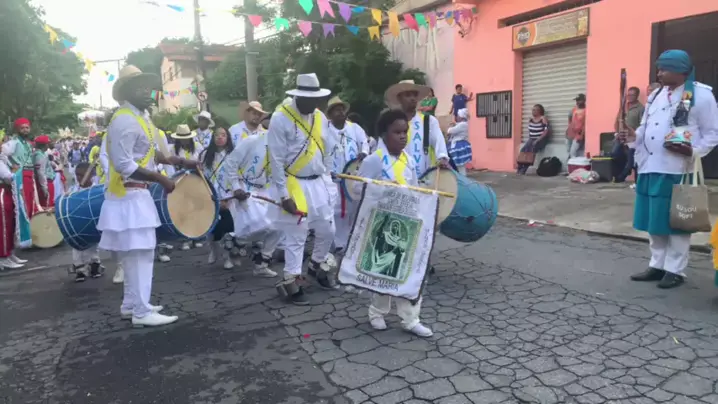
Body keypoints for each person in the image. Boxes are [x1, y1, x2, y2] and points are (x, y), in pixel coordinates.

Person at [99, 65, 197, 327]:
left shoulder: (140, 117)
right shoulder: (125, 120)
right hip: (129, 195)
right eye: (139, 87)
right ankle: (141, 312)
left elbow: (149, 153)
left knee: (137, 253)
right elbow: (124, 164)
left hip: (135, 196)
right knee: (140, 255)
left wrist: (177, 161)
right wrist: (160, 178)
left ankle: (131, 304)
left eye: (147, 87)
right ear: (127, 91)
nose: (147, 92)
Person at [628, 50, 718, 289]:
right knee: (654, 221)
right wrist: (632, 136)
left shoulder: (701, 95)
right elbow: (645, 127)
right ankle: (657, 265)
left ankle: (675, 270)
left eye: (664, 69)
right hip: (650, 166)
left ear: (681, 71)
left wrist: (693, 151)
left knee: (677, 222)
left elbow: (712, 133)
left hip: (678, 169)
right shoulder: (656, 94)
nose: (659, 73)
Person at [357, 109, 433, 337]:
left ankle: (410, 319)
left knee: (407, 272)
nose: (402, 136)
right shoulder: (374, 160)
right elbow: (357, 189)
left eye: (405, 132)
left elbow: (413, 189)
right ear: (384, 134)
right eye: (396, 132)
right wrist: (382, 190)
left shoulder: (408, 160)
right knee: (383, 270)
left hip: (406, 224)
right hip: (382, 224)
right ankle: (377, 312)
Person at [268, 73, 338, 305]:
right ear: (298, 96)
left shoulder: (319, 116)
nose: (314, 103)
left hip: (319, 182)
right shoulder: (280, 118)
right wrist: (283, 195)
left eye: (316, 99)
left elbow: (327, 148)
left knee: (328, 229)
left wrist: (328, 175)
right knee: (297, 233)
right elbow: (276, 159)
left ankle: (316, 266)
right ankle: (291, 281)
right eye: (309, 99)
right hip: (294, 182)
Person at [224, 132, 281, 278]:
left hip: (267, 190)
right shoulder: (252, 140)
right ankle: (237, 241)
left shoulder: (284, 145)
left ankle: (261, 263)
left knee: (279, 226)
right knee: (262, 224)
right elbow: (230, 162)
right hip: (245, 188)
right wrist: (236, 187)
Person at [326, 96, 369, 253]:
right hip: (333, 178)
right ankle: (337, 243)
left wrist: (363, 153)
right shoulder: (324, 129)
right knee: (336, 211)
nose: (340, 112)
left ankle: (351, 242)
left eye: (342, 109)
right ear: (330, 114)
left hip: (352, 178)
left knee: (352, 210)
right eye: (336, 110)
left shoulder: (354, 128)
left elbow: (364, 143)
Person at [385, 80, 450, 179]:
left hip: (426, 181)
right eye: (408, 95)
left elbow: (439, 143)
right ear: (399, 98)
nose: (412, 98)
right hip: (399, 182)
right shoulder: (391, 124)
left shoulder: (428, 121)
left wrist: (442, 158)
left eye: (414, 95)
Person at [199, 127, 236, 269]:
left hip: (228, 195)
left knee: (228, 228)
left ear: (228, 137)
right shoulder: (205, 154)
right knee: (211, 227)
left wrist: (230, 197)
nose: (220, 137)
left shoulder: (233, 154)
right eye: (216, 135)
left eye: (223, 135)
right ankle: (213, 251)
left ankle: (227, 257)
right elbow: (201, 175)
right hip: (210, 195)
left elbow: (237, 174)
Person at [68, 162, 104, 281]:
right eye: (77, 175)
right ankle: (80, 269)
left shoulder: (96, 190)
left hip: (92, 223)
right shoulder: (73, 189)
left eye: (81, 175)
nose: (78, 178)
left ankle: (94, 265)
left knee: (93, 244)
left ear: (91, 175)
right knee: (77, 245)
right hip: (76, 223)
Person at [3, 118, 40, 218]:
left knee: (30, 201)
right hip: (21, 175)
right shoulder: (13, 142)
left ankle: (29, 223)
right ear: (17, 129)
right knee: (23, 202)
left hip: (29, 175)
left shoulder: (28, 144)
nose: (25, 130)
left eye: (27, 128)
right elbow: (2, 154)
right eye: (22, 128)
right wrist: (10, 166)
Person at [0, 151, 25, 270]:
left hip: (7, 192)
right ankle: (3, 257)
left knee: (10, 225)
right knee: (4, 227)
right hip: (2, 193)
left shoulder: (3, 160)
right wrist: (14, 171)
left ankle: (9, 253)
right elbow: (8, 178)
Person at [517, 104, 550, 175]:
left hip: (540, 139)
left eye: (535, 110)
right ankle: (519, 168)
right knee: (523, 150)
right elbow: (530, 131)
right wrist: (530, 140)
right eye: (532, 110)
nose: (533, 111)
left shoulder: (543, 119)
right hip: (531, 138)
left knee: (531, 150)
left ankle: (524, 169)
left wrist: (538, 140)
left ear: (539, 111)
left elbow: (546, 131)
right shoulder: (531, 120)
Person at [446, 108, 472, 175]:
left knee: (460, 166)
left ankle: (462, 178)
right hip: (459, 144)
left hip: (458, 145)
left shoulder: (462, 125)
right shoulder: (462, 124)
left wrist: (451, 127)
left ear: (461, 117)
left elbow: (450, 131)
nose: (457, 117)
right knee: (459, 166)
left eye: (458, 115)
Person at [32, 135, 53, 208]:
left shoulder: (42, 153)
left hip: (45, 181)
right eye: (47, 143)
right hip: (44, 182)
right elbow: (40, 172)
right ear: (44, 145)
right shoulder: (39, 155)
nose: (48, 145)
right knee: (46, 205)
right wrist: (44, 187)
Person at [567, 94, 586, 158]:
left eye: (579, 100)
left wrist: (582, 134)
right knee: (569, 150)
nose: (577, 102)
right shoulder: (573, 109)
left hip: (579, 134)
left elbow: (586, 124)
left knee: (574, 152)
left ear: (584, 100)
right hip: (571, 134)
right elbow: (569, 119)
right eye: (576, 100)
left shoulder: (587, 110)